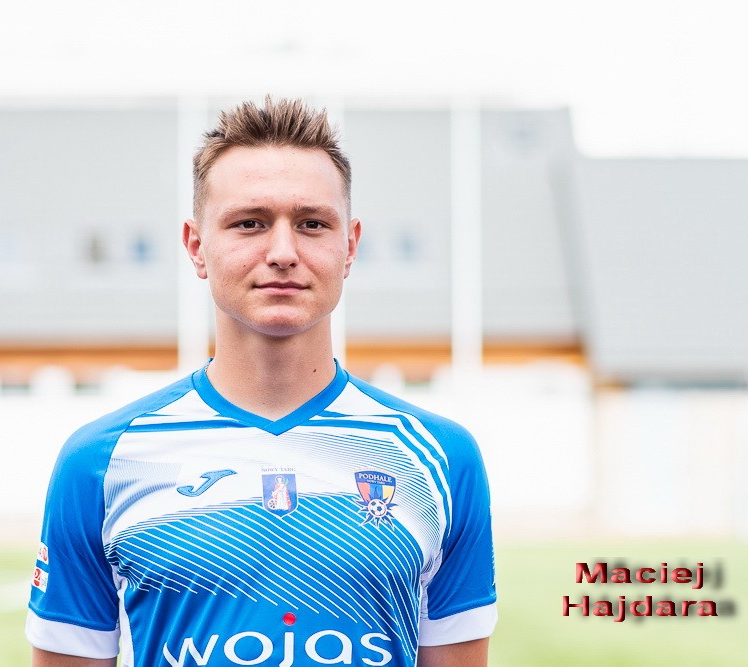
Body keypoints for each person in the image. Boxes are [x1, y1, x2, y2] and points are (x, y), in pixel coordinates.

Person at [26, 97, 497, 666]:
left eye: (312, 224)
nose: (282, 252)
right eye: (249, 223)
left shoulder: (441, 457)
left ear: (349, 246)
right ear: (197, 246)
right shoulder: (100, 461)